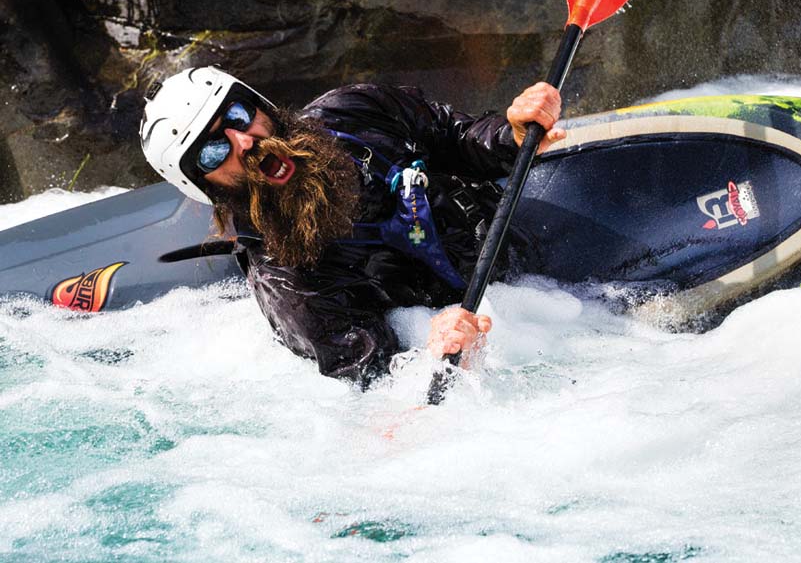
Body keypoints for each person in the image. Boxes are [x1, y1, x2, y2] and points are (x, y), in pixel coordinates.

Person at [139, 66, 565, 386]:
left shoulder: (353, 111)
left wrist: (509, 134)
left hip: (531, 255)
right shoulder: (289, 282)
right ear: (205, 185)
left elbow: (454, 136)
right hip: (510, 323)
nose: (243, 141)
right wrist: (434, 354)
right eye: (213, 151)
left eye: (236, 114)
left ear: (257, 103)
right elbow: (378, 381)